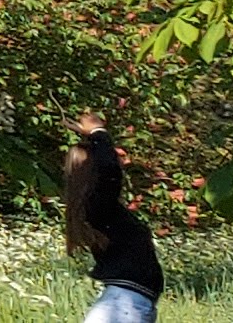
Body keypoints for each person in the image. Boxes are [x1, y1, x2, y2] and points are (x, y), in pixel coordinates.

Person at [60, 115, 165, 323]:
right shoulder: (99, 205)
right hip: (124, 304)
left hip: (127, 303)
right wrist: (98, 132)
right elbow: (109, 170)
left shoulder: (98, 209)